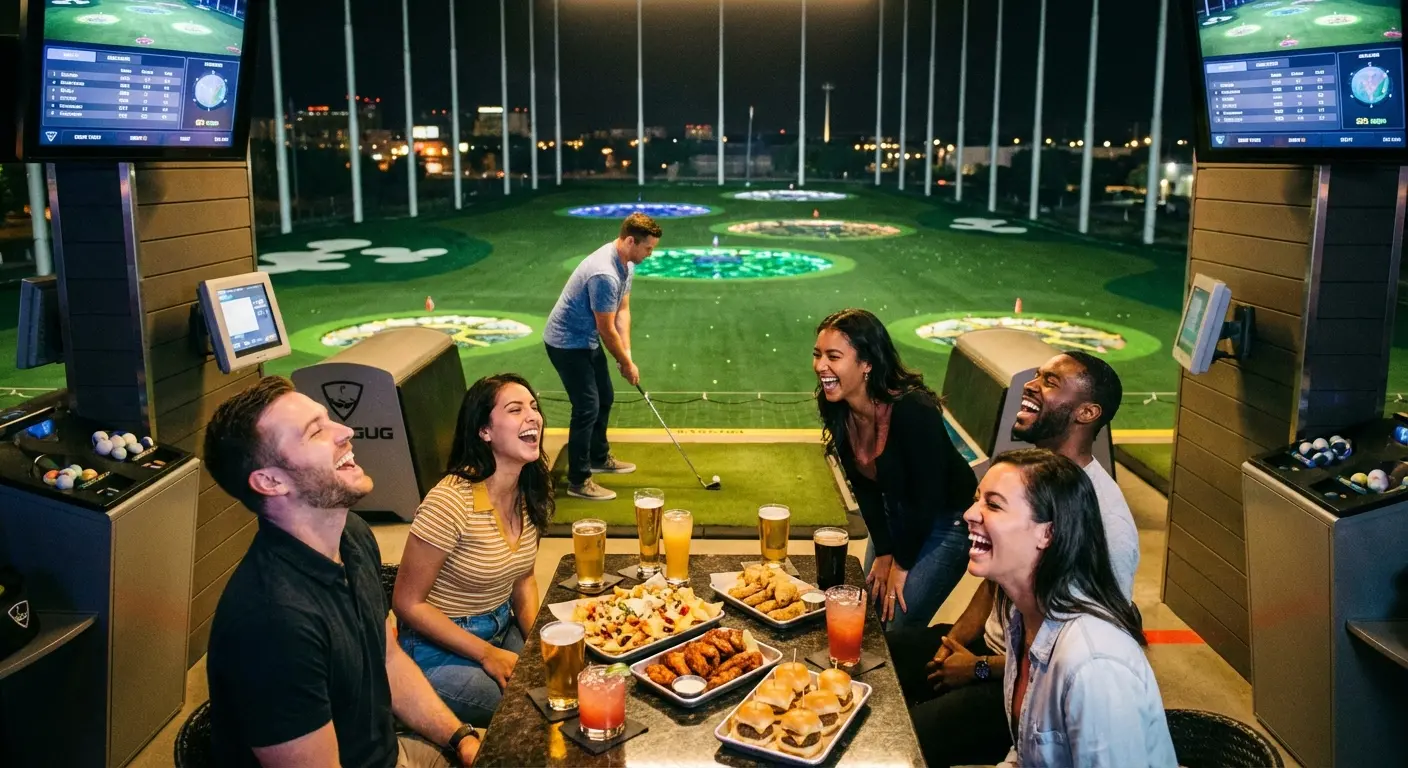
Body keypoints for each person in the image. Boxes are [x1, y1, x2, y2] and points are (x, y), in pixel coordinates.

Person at [203, 376, 480, 768]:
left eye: (328, 419)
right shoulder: (272, 624)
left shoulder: (352, 535)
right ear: (270, 481)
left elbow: (387, 659)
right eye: (315, 431)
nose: (346, 431)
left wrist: (461, 739)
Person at [890, 351, 1140, 766]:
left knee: (904, 737)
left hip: (1022, 680)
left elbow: (1070, 656)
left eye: (1051, 381)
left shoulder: (1105, 523)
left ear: (1087, 412)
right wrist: (957, 641)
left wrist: (980, 670)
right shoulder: (1030, 480)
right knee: (877, 658)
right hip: (991, 655)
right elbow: (995, 582)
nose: (1030, 384)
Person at [967, 449, 1175, 767]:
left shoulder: (1093, 668)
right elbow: (1029, 749)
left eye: (993, 505)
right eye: (977, 499)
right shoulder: (1019, 619)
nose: (970, 513)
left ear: (1047, 532)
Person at [392, 374, 548, 726]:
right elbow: (406, 603)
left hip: (500, 625)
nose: (533, 416)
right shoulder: (449, 501)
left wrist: (539, 642)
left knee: (570, 680)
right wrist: (487, 654)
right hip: (434, 648)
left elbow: (523, 580)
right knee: (529, 713)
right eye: (515, 409)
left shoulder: (529, 490)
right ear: (484, 431)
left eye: (534, 408)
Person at [813, 308, 978, 631]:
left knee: (895, 622)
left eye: (834, 356)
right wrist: (885, 551)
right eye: (817, 355)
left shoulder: (912, 410)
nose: (821, 366)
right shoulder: (836, 406)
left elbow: (927, 497)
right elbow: (866, 489)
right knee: (867, 614)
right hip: (899, 512)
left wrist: (901, 564)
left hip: (946, 521)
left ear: (867, 363)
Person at [542, 212, 662, 501]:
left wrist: (628, 355)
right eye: (648, 248)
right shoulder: (605, 274)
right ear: (631, 241)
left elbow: (622, 311)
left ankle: (597, 456)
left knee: (604, 396)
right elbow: (606, 329)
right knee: (586, 407)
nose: (650, 254)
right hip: (566, 343)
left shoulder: (626, 264)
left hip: (587, 340)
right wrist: (624, 362)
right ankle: (579, 480)